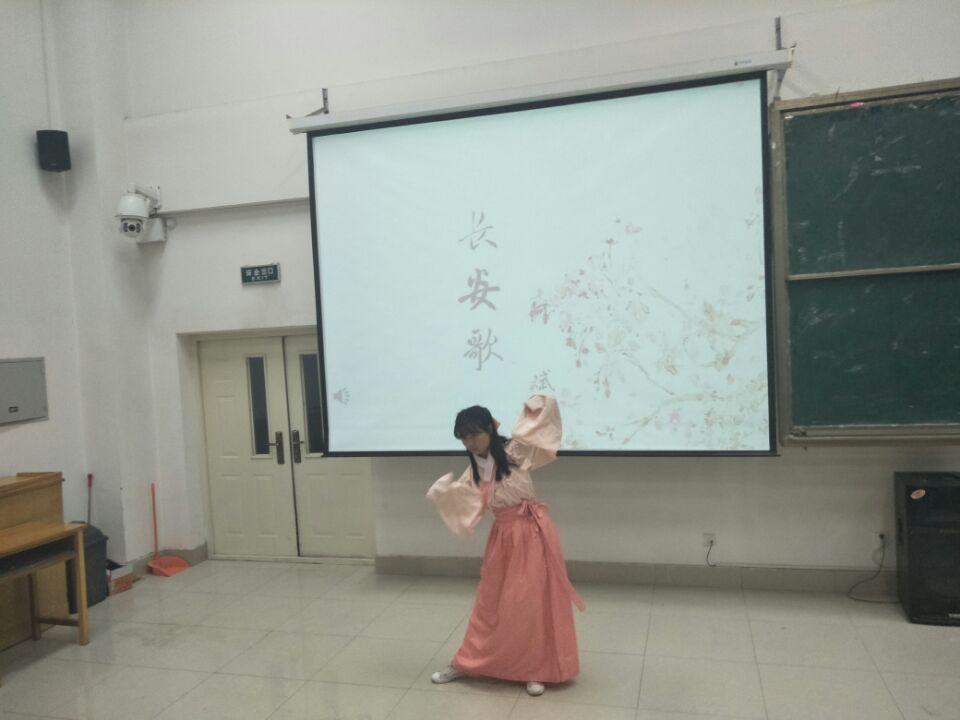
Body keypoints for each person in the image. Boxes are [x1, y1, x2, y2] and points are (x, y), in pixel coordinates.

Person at [426, 394, 585, 697]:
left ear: (490, 428)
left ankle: (536, 668)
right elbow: (464, 507)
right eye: (463, 438)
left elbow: (544, 417)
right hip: (502, 537)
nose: (469, 443)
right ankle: (468, 661)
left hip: (532, 533)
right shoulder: (474, 472)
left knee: (530, 601)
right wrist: (443, 494)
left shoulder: (516, 451)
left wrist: (536, 404)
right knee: (491, 603)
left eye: (474, 434)